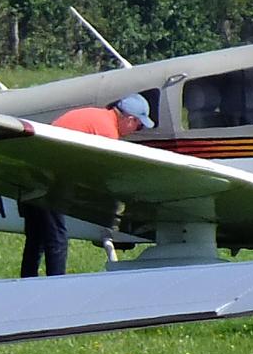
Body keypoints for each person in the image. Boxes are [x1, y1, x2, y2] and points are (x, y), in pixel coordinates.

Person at [19, 93, 154, 277]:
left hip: (29, 173)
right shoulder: (108, 132)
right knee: (57, 239)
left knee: (36, 238)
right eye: (138, 125)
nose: (136, 129)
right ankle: (57, 285)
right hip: (50, 176)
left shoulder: (95, 115)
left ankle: (28, 282)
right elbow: (100, 176)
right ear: (130, 119)